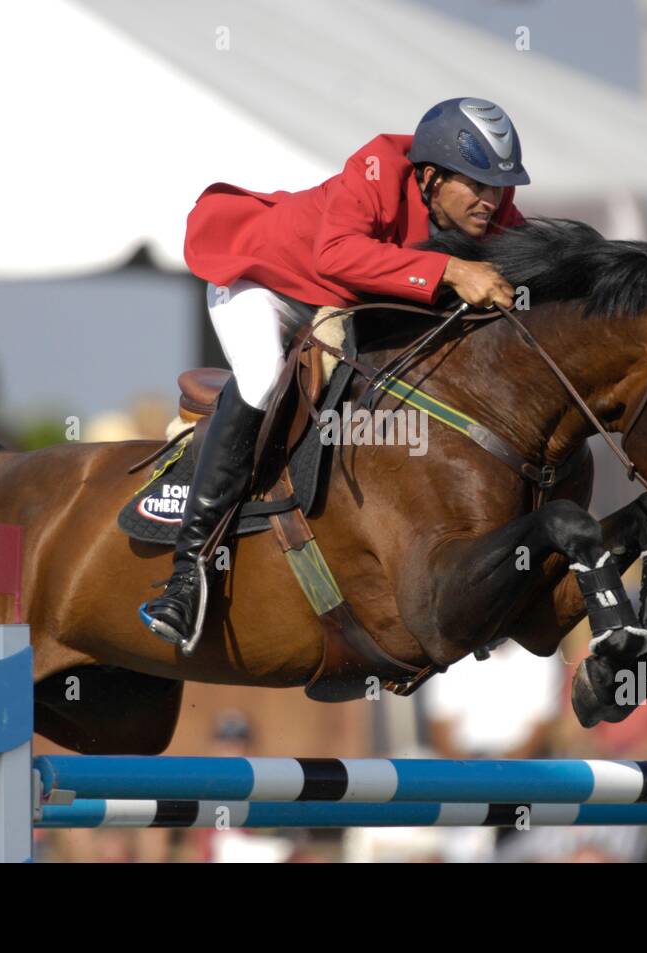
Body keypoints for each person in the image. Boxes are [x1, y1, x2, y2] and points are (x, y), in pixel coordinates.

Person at [141, 98, 530, 645]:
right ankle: (188, 575)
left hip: (339, 308)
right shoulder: (375, 168)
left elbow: (535, 259)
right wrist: (450, 268)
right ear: (430, 176)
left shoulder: (491, 209)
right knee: (261, 379)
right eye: (478, 187)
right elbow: (336, 257)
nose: (492, 202)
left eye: (500, 188)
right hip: (265, 285)